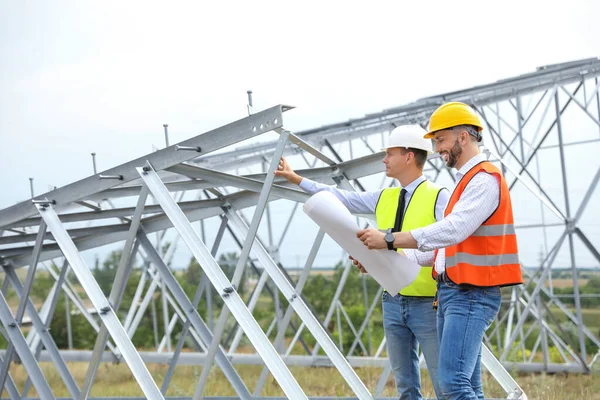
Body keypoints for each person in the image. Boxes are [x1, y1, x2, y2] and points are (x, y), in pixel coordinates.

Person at [357, 102, 523, 400]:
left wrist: (391, 239)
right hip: (453, 293)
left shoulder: (484, 179)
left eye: (440, 140)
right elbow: (445, 250)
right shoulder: (465, 183)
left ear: (463, 137)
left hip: (472, 293)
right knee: (467, 386)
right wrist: (382, 261)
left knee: (452, 384)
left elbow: (453, 229)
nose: (437, 149)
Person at [275, 125, 449, 400]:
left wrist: (394, 252)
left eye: (389, 153)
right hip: (393, 301)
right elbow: (339, 197)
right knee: (405, 387)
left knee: (445, 385)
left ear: (408, 157)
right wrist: (297, 179)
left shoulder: (439, 197)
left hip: (428, 302)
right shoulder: (385, 197)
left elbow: (444, 246)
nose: (384, 159)